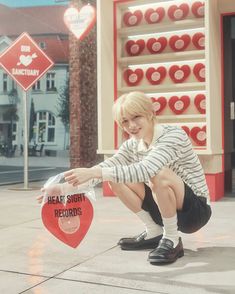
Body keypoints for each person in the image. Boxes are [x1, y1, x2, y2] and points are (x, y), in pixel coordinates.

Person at [38, 91, 211, 265]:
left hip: (195, 212)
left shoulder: (174, 135)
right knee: (114, 175)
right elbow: (108, 166)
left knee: (158, 173)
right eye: (125, 121)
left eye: (136, 117)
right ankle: (154, 231)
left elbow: (146, 169)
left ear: (150, 113)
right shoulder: (132, 145)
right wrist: (63, 189)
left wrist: (94, 173)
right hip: (164, 207)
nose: (131, 126)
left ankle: (172, 239)